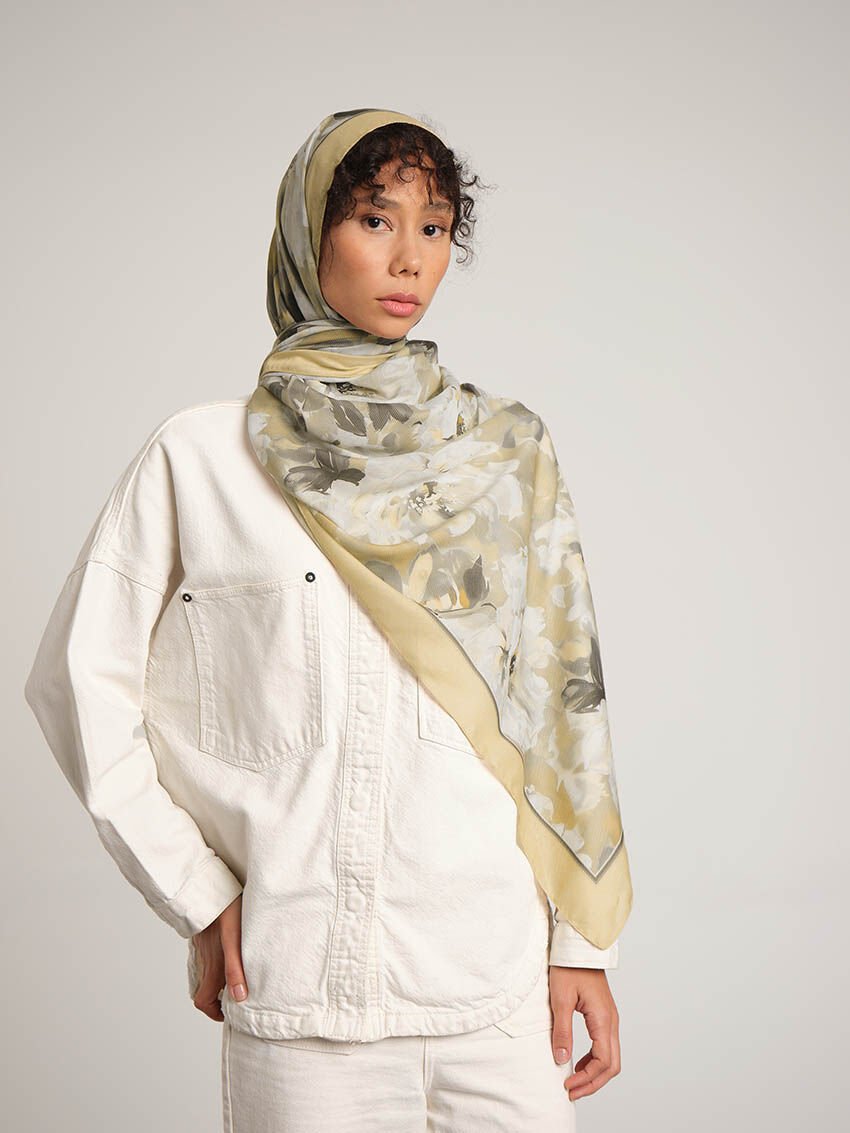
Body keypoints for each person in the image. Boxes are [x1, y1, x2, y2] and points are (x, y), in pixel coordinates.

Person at [24, 107, 633, 1132]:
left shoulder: (504, 456)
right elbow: (77, 683)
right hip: (300, 997)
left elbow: (564, 703)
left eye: (434, 228)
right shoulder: (202, 458)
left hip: (495, 987)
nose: (409, 258)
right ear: (310, 233)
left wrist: (582, 944)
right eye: (373, 219)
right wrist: (197, 889)